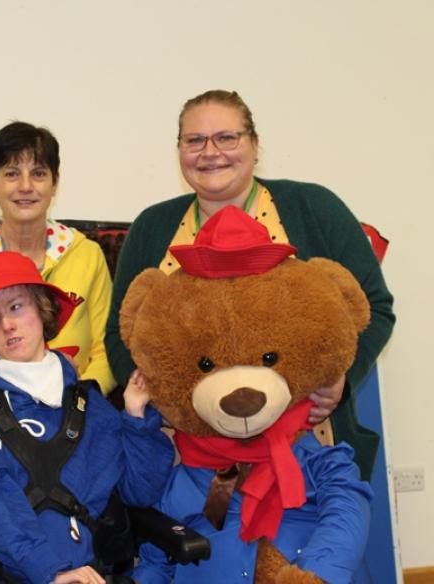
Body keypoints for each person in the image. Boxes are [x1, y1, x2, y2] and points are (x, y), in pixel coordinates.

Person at [105, 89, 395, 480]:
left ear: (255, 145)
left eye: (227, 137)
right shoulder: (151, 227)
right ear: (179, 151)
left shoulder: (313, 207)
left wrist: (341, 378)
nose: (210, 152)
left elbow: (374, 306)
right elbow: (119, 334)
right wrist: (163, 400)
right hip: (188, 457)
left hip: (308, 449)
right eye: (194, 140)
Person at [0, 251, 172, 584]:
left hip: (91, 573)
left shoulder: (90, 405)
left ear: (43, 309)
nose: (7, 324)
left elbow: (140, 491)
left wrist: (136, 418)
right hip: (23, 574)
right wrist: (50, 571)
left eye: (16, 307)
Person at [0, 121, 116, 394]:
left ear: (55, 183)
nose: (26, 186)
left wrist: (80, 400)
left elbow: (106, 348)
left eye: (39, 173)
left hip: (78, 409)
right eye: (12, 174)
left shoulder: (86, 254)